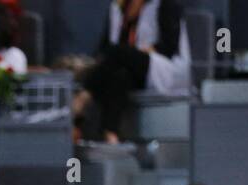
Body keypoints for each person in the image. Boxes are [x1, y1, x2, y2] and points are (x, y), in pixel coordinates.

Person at [76, 0, 190, 144]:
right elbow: (104, 48)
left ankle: (83, 98)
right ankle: (111, 135)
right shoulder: (117, 8)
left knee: (118, 52)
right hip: (129, 67)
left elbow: (169, 47)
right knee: (120, 77)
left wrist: (138, 52)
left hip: (164, 67)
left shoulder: (165, 4)